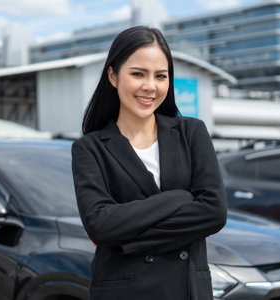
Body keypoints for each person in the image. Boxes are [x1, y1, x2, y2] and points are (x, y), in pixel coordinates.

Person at [71, 26, 227, 300]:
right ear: (113, 75)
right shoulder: (90, 148)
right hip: (124, 291)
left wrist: (129, 240)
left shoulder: (191, 132)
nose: (150, 86)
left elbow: (214, 212)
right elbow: (101, 225)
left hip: (187, 289)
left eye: (161, 76)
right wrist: (179, 197)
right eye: (138, 74)